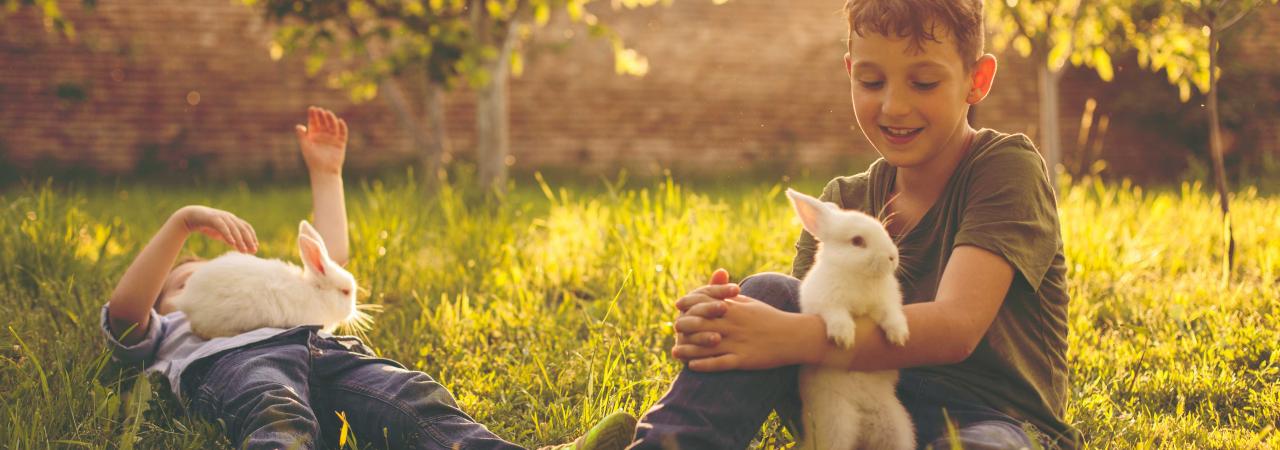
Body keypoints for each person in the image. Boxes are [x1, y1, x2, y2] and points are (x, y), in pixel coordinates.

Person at [630, 0, 1080, 448]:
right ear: (850, 73)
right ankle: (666, 442)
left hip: (987, 419)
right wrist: (726, 320)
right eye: (871, 81)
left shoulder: (1004, 168)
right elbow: (813, 320)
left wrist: (783, 335)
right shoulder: (843, 203)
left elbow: (956, 327)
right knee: (770, 291)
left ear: (976, 81)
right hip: (847, 398)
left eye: (924, 82)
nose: (894, 106)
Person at [100, 106, 636, 450]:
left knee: (411, 395)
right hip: (237, 364)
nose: (193, 277)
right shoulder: (172, 332)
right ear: (164, 306)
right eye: (180, 281)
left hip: (324, 352)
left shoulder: (284, 299)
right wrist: (182, 224)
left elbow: (328, 268)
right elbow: (126, 313)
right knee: (273, 409)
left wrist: (327, 174)